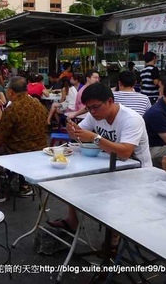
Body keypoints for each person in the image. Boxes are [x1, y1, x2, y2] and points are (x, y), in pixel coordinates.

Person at [47, 82, 152, 236]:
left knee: (99, 193)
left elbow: (125, 152)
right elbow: (79, 134)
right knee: (73, 180)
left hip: (136, 172)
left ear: (110, 101)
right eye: (89, 108)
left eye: (95, 107)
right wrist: (73, 132)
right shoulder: (94, 115)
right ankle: (72, 221)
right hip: (109, 164)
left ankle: (114, 240)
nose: (92, 111)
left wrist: (95, 138)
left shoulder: (131, 119)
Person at [0, 76, 48, 199]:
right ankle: (23, 185)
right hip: (39, 150)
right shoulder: (40, 106)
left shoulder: (13, 109)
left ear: (11, 92)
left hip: (18, 151)